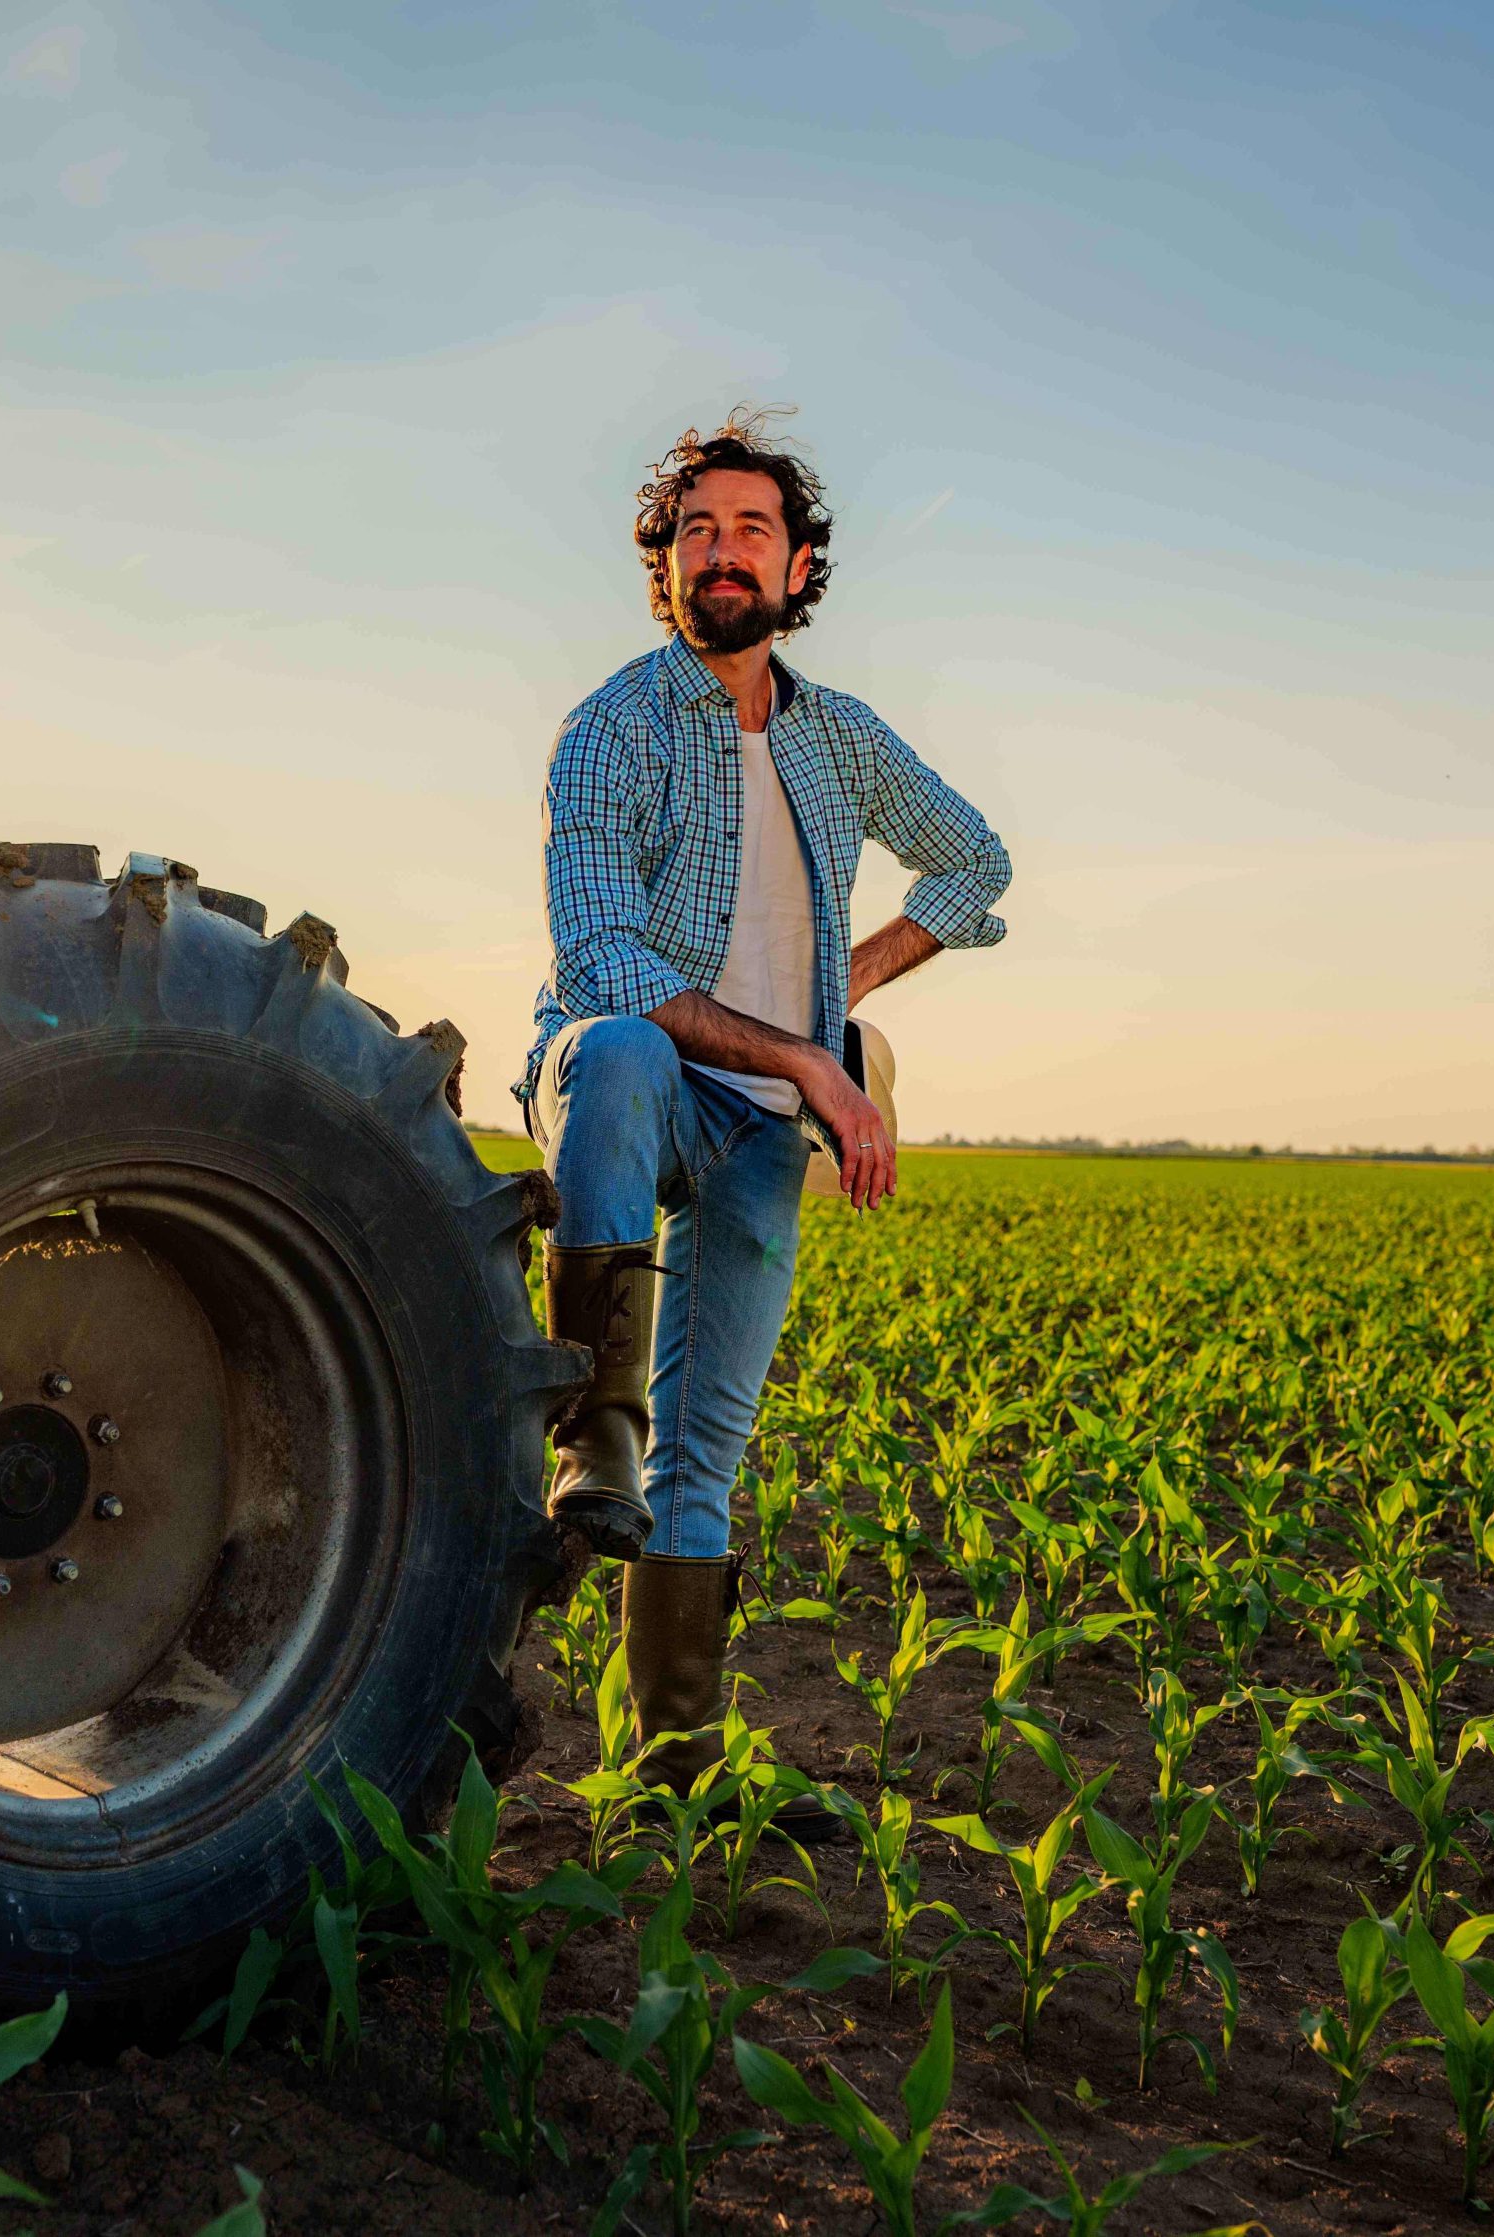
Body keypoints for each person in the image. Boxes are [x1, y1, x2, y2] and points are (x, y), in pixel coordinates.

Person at [516, 408, 1012, 1794]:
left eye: (751, 530)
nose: (721, 552)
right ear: (664, 567)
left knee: (714, 1455)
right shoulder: (610, 728)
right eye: (695, 531)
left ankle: (670, 1777)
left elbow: (974, 864)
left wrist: (836, 992)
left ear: (798, 570)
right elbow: (606, 959)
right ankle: (591, 1433)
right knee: (620, 1044)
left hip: (754, 1129)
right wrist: (809, 1058)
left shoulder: (840, 743)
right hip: (630, 1090)